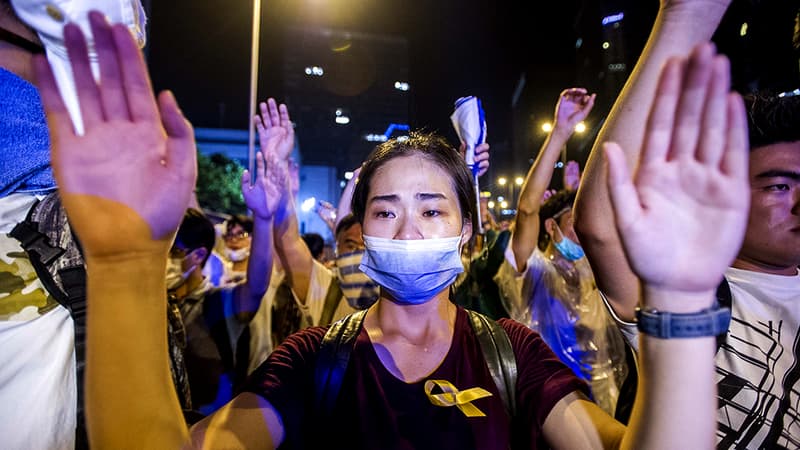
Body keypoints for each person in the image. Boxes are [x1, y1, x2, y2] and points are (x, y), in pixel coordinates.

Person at [45, 11, 750, 449]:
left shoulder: (515, 355)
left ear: (469, 234)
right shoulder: (311, 360)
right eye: (385, 210)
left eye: (433, 209)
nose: (408, 229)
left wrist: (682, 303)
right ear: (361, 227)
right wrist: (125, 262)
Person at [574, 0, 800, 447]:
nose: (799, 204)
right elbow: (601, 225)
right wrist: (686, 18)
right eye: (779, 187)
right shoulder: (689, 292)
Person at [506, 88, 627, 417]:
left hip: (604, 405)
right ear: (551, 228)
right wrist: (561, 132)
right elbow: (529, 210)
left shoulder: (595, 274)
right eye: (574, 222)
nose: (583, 230)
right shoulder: (534, 273)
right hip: (549, 409)